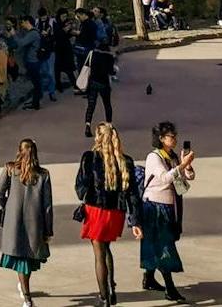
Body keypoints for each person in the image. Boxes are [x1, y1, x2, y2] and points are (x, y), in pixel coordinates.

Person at [76, 122, 139, 307]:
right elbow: (133, 193)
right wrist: (135, 220)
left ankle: (104, 298)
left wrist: (85, 196)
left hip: (96, 211)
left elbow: (81, 185)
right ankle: (111, 288)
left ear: (98, 137)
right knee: (107, 249)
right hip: (116, 212)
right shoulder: (125, 160)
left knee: (99, 255)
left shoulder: (90, 157)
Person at [139, 121, 195, 303]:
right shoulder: (154, 157)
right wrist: (181, 165)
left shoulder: (172, 155)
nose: (175, 139)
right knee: (164, 246)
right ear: (161, 139)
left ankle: (148, 277)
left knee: (155, 243)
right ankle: (170, 288)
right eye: (171, 136)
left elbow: (189, 177)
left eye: (175, 135)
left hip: (170, 206)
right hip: (155, 207)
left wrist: (187, 165)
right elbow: (164, 178)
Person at [0, 137, 54, 307]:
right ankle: (27, 296)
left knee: (21, 256)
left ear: (19, 151)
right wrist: (48, 230)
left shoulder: (10, 170)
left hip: (13, 223)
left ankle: (26, 293)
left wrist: (8, 205)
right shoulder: (43, 175)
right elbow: (47, 206)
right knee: (26, 259)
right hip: (35, 224)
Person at [82, 37, 118, 136]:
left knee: (91, 105)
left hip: (93, 82)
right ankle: (109, 125)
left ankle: (88, 125)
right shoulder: (109, 57)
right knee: (107, 104)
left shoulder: (93, 54)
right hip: (104, 83)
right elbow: (111, 71)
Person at [12, 16, 44, 112]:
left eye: (22, 23)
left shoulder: (33, 34)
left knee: (36, 83)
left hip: (33, 61)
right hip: (34, 60)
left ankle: (36, 103)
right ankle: (35, 101)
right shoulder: (34, 32)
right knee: (36, 82)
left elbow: (22, 43)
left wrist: (14, 35)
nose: (22, 25)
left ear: (27, 22)